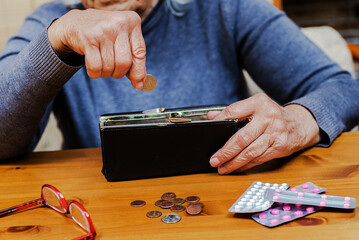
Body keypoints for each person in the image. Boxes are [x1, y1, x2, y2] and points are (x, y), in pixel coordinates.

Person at [0, 0, 359, 175]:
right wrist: (55, 43)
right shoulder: (54, 22)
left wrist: (296, 120)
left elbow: (343, 88)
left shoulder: (224, 7)